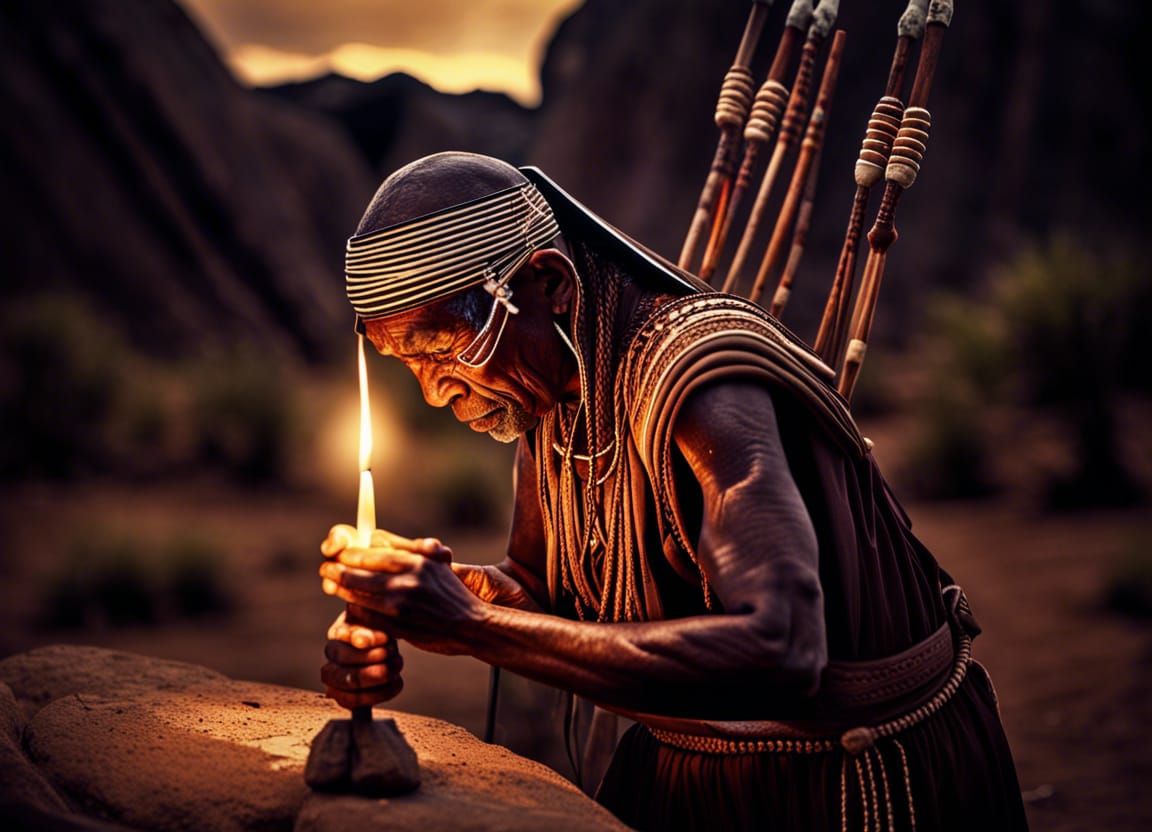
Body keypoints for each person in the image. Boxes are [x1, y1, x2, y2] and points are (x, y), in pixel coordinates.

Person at [317, 151, 1027, 830]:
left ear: (550, 283)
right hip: (687, 780)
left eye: (443, 349)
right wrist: (439, 597)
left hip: (852, 784)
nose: (435, 392)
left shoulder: (702, 387)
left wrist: (470, 625)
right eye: (406, 363)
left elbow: (783, 648)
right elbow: (536, 590)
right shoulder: (553, 394)